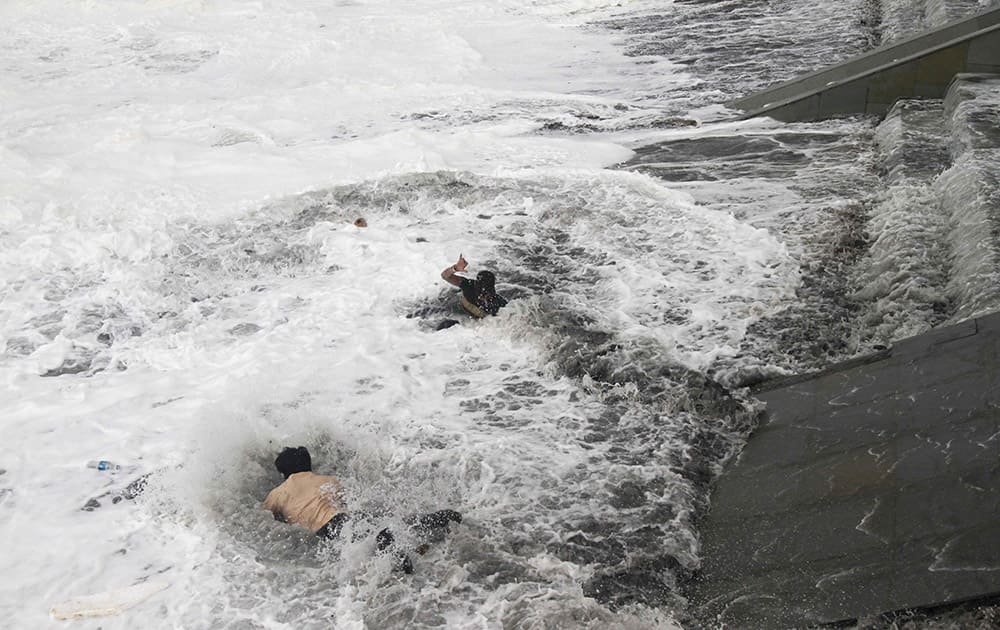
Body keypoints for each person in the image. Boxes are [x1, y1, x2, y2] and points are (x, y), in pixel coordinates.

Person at [262, 447, 461, 573]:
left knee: (365, 548)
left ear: (283, 473)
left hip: (325, 530)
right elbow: (347, 504)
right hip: (348, 518)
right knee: (386, 526)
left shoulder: (278, 494)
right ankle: (438, 520)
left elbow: (262, 520)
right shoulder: (329, 480)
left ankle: (394, 554)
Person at [440, 254, 507, 318]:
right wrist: (455, 268)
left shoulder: (499, 304)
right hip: (458, 309)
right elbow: (445, 276)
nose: (483, 297)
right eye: (482, 294)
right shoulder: (469, 286)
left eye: (487, 295)